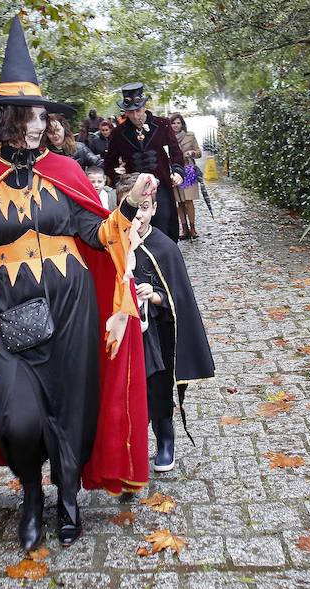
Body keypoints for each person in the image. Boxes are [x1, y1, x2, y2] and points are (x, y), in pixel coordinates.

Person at [0, 16, 150, 553]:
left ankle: (66, 497)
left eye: (41, 116)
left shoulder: (65, 170)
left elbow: (98, 231)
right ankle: (31, 493)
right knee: (16, 418)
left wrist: (127, 207)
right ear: (4, 121)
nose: (37, 126)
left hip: (73, 306)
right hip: (11, 309)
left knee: (73, 408)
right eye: (27, 116)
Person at [118, 173, 214, 472]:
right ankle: (127, 448)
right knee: (125, 393)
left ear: (155, 208)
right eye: (133, 207)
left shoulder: (164, 247)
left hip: (156, 337)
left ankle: (165, 440)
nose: (139, 215)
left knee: (158, 390)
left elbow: (178, 296)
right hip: (122, 334)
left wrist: (156, 295)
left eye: (145, 208)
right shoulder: (113, 243)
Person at [104, 83, 185, 242]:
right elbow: (109, 162)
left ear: (144, 106)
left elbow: (175, 151)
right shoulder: (118, 133)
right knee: (137, 230)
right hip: (134, 190)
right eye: (130, 112)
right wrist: (119, 183)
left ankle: (166, 261)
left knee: (165, 228)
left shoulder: (163, 124)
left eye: (138, 110)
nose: (135, 116)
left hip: (161, 187)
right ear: (125, 112)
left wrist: (178, 171)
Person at [169, 113, 202, 239]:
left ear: (182, 124)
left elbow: (199, 152)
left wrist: (192, 152)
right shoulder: (167, 137)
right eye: (173, 123)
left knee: (189, 200)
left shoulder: (190, 135)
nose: (176, 125)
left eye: (178, 123)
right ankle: (184, 229)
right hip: (174, 171)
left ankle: (193, 228)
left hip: (188, 169)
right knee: (180, 202)